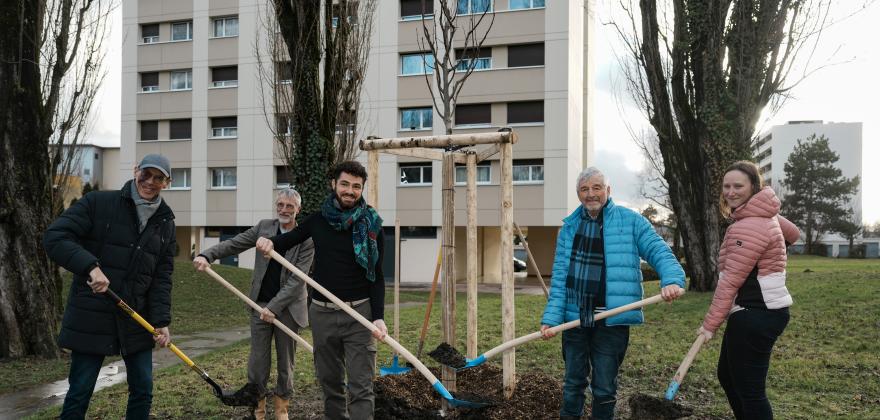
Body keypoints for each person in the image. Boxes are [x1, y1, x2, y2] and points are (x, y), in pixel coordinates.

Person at [539, 167, 685, 420]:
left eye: (597, 187)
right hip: (575, 319)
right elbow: (560, 276)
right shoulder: (569, 229)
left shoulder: (631, 221)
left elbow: (659, 251)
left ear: (608, 190)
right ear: (578, 194)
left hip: (611, 321)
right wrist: (551, 319)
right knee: (573, 384)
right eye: (584, 189)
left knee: (605, 388)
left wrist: (672, 279)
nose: (591, 194)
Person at [44, 154, 176, 420]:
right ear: (135, 169)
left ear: (167, 182)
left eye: (158, 177)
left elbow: (162, 277)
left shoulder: (165, 223)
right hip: (93, 312)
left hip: (135, 316)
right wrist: (89, 266)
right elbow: (55, 236)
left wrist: (161, 320)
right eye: (146, 174)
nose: (150, 182)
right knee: (80, 390)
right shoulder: (99, 203)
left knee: (143, 389)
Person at [256, 160, 386, 420]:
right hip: (322, 315)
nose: (350, 191)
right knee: (330, 383)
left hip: (359, 313)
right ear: (334, 184)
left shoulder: (371, 224)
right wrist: (269, 241)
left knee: (361, 385)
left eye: (356, 186)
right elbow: (288, 239)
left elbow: (377, 275)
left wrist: (378, 315)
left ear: (362, 189)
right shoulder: (319, 220)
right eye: (345, 184)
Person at [193, 188, 315, 420]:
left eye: (290, 206)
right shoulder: (264, 228)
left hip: (288, 309)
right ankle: (257, 408)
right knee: (258, 360)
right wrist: (207, 255)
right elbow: (235, 244)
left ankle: (282, 409)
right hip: (259, 304)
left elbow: (298, 280)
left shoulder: (305, 238)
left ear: (298, 209)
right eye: (280, 205)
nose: (284, 210)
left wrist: (274, 308)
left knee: (285, 362)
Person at [696, 161, 799, 420]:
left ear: (754, 187)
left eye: (738, 186)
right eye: (726, 186)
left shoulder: (748, 226)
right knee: (728, 376)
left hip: (756, 314)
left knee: (750, 391)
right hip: (760, 312)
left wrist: (709, 326)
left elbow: (730, 282)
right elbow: (793, 234)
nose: (730, 192)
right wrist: (766, 212)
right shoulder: (760, 216)